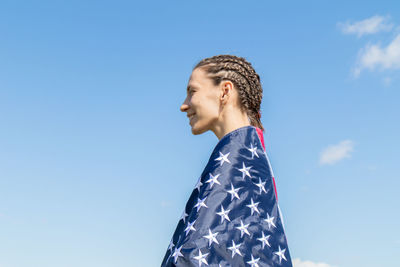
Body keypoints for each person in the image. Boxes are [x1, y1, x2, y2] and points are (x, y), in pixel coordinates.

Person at [161, 55, 292, 266]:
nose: (183, 106)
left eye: (192, 92)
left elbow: (195, 256)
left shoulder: (238, 159)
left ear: (224, 91)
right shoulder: (245, 154)